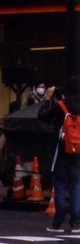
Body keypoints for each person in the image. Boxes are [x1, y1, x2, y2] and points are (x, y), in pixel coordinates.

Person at [38, 76, 80, 234]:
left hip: (61, 150)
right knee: (76, 186)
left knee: (60, 185)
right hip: (78, 151)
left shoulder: (60, 105)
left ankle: (58, 222)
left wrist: (48, 99)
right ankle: (76, 222)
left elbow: (42, 116)